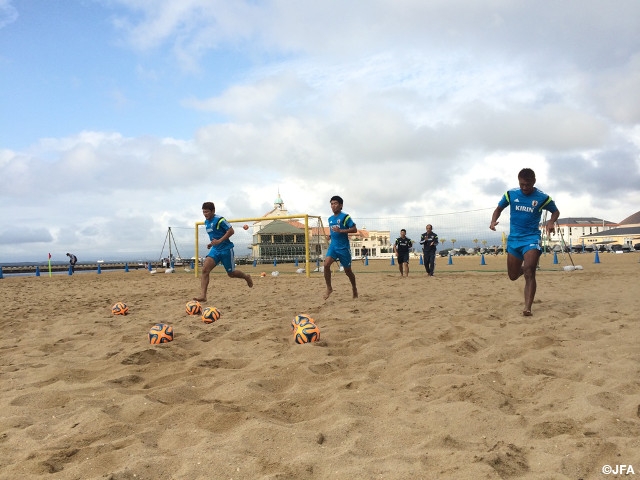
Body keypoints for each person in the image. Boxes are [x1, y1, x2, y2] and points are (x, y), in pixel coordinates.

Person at [489, 168, 559, 317]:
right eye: (522, 184)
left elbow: (555, 211)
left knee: (529, 272)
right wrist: (493, 221)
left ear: (534, 181)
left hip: (532, 238)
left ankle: (528, 307)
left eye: (527, 184)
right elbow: (498, 209)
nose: (524, 188)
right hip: (514, 240)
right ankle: (527, 266)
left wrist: (551, 222)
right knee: (513, 276)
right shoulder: (511, 194)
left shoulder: (542, 197)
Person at [194, 202, 252, 302]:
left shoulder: (220, 220)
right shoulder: (206, 222)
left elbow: (231, 231)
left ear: (213, 211)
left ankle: (246, 276)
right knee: (205, 270)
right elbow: (215, 236)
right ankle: (203, 296)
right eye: (203, 212)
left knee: (231, 273)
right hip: (215, 250)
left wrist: (219, 241)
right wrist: (211, 244)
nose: (205, 214)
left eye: (207, 212)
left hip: (226, 249)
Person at [324, 195, 358, 300]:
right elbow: (334, 231)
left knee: (348, 271)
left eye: (335, 203)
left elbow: (354, 229)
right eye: (332, 204)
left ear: (341, 205)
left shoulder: (345, 217)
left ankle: (354, 288)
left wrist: (341, 231)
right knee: (326, 265)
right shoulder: (330, 219)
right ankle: (329, 288)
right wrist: (330, 236)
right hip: (333, 246)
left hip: (343, 248)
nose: (333, 206)